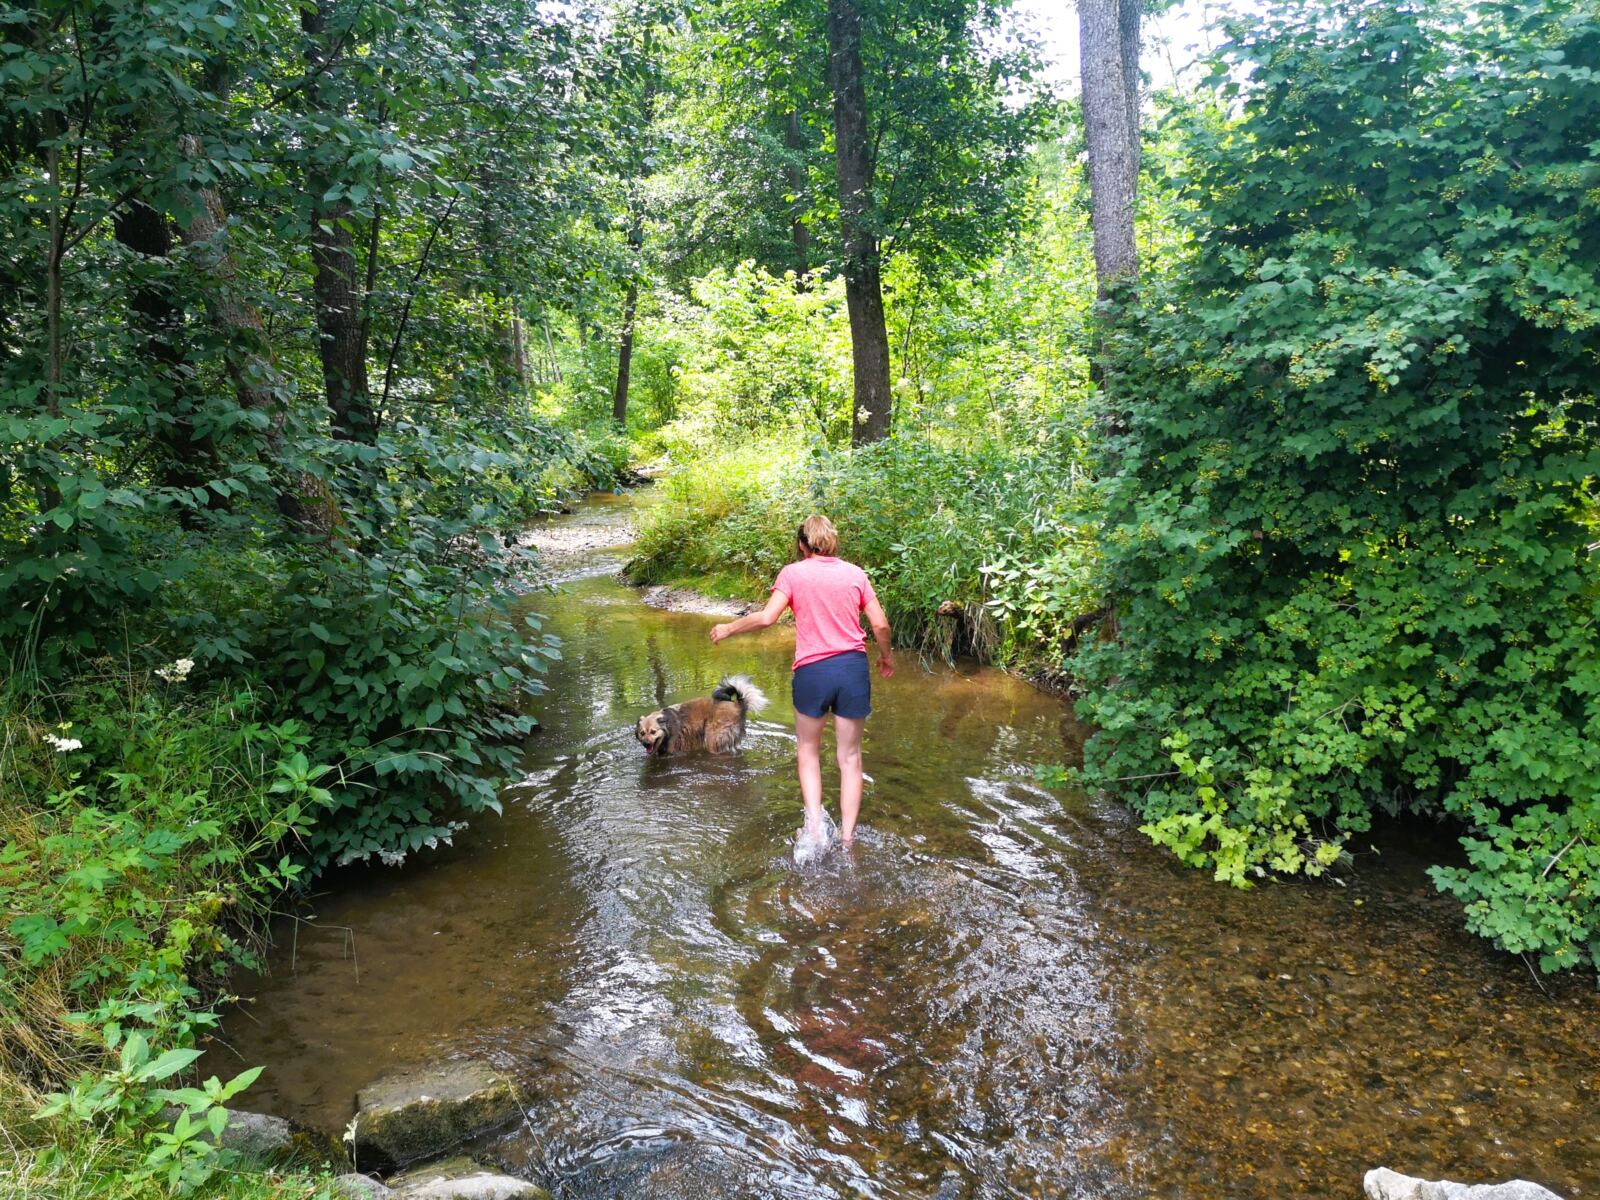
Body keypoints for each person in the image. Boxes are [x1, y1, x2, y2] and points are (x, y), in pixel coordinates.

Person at [709, 515, 893, 845]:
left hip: (813, 672)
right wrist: (886, 657)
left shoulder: (793, 573)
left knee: (808, 751)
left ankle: (814, 830)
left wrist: (728, 628)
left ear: (801, 544)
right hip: (852, 670)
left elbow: (767, 617)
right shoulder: (855, 573)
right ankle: (847, 839)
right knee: (850, 758)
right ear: (833, 541)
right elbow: (879, 624)